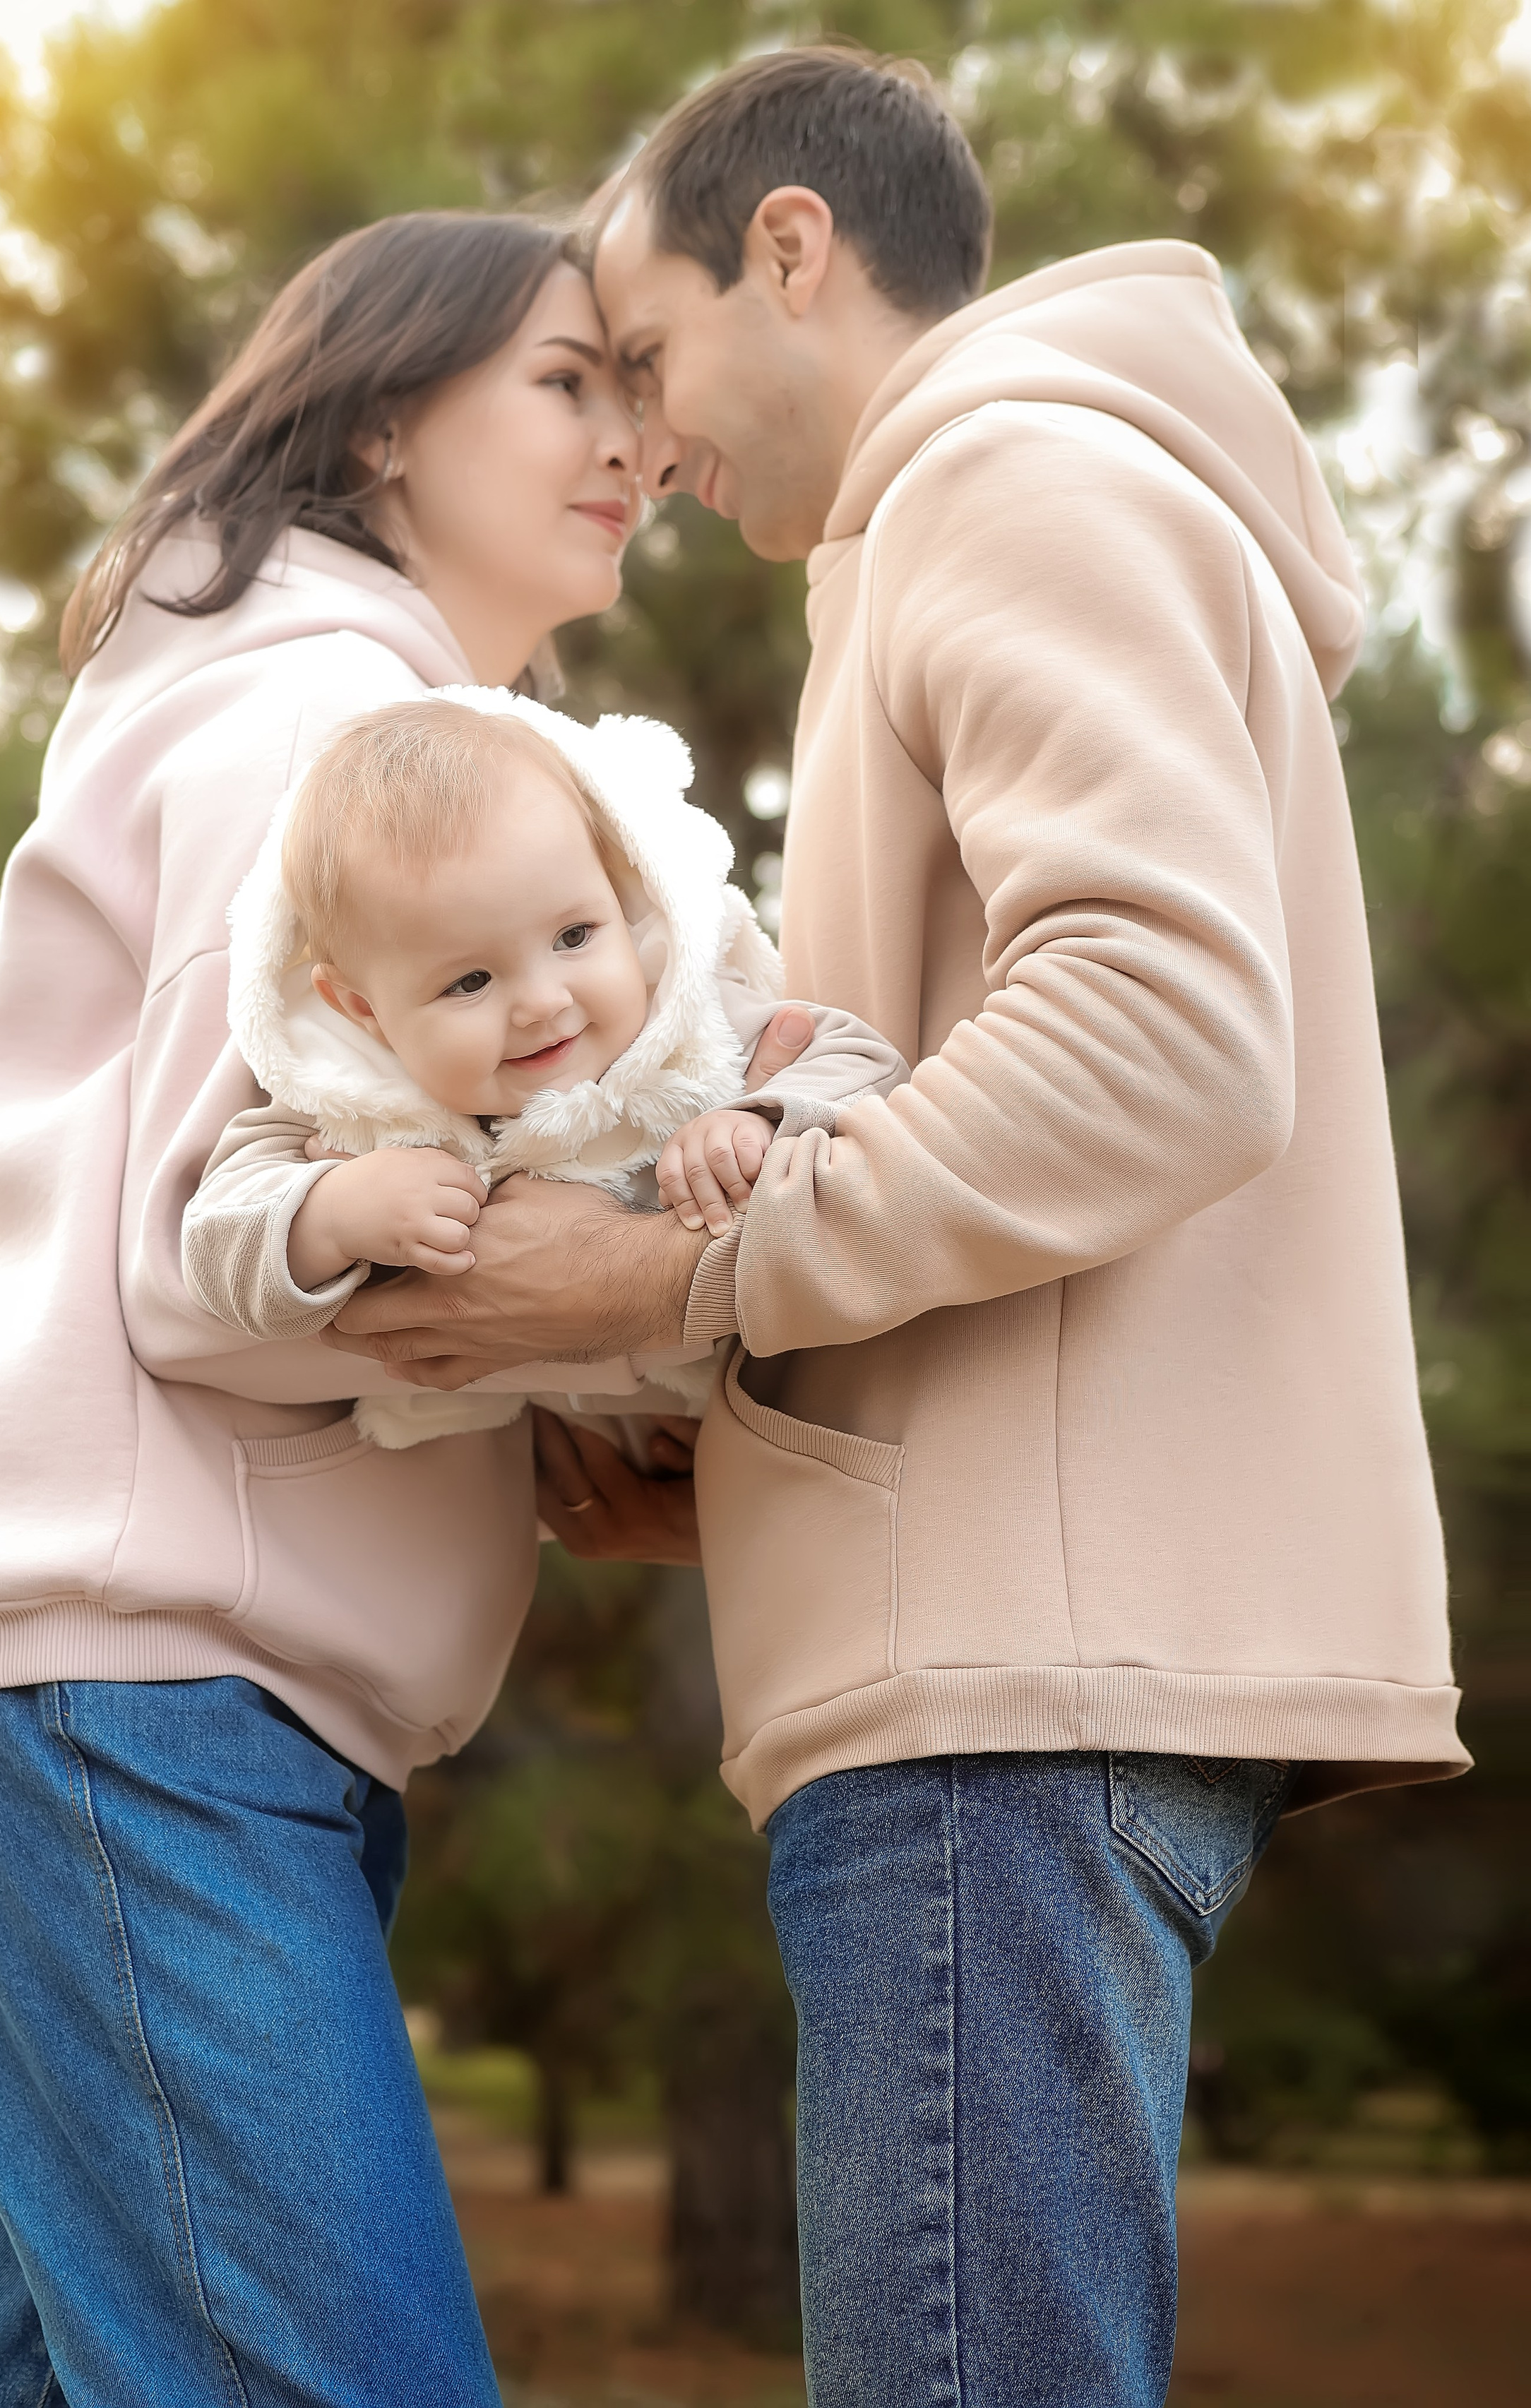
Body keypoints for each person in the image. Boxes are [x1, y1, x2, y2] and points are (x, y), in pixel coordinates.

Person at [322, 49, 1471, 2408]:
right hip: (1012, 1655)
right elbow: (1005, 1139)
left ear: (794, 252)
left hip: (1009, 1704)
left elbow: (1159, 1039)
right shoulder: (1002, 516)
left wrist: (669, 1277)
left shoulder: (1013, 485)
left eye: (645, 364)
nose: (636, 449)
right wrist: (725, 1418)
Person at [0, 208, 799, 2407]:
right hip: (144, 1693)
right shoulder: (336, 724)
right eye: (565, 381)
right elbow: (217, 1277)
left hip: (133, 1699)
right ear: (380, 419)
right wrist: (655, 1306)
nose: (630, 435)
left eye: (634, 389)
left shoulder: (295, 704)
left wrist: (562, 1425)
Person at [181, 687, 905, 1448]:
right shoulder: (351, 1097)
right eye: (468, 982)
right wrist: (326, 1213)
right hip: (569, 1455)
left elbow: (870, 1066)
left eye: (573, 935)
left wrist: (756, 1117)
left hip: (777, 1418)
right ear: (363, 1009)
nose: (539, 1002)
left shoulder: (694, 1024)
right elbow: (212, 1248)